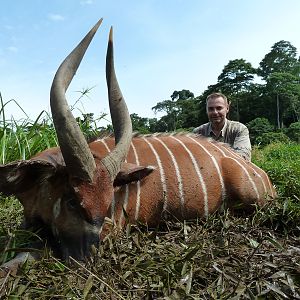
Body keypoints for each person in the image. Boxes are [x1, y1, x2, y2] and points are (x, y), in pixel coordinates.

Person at [193, 92, 251, 161]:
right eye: (211, 109)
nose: (215, 112)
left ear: (227, 108)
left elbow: (243, 157)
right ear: (206, 110)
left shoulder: (239, 129)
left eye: (219, 108)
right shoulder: (198, 133)